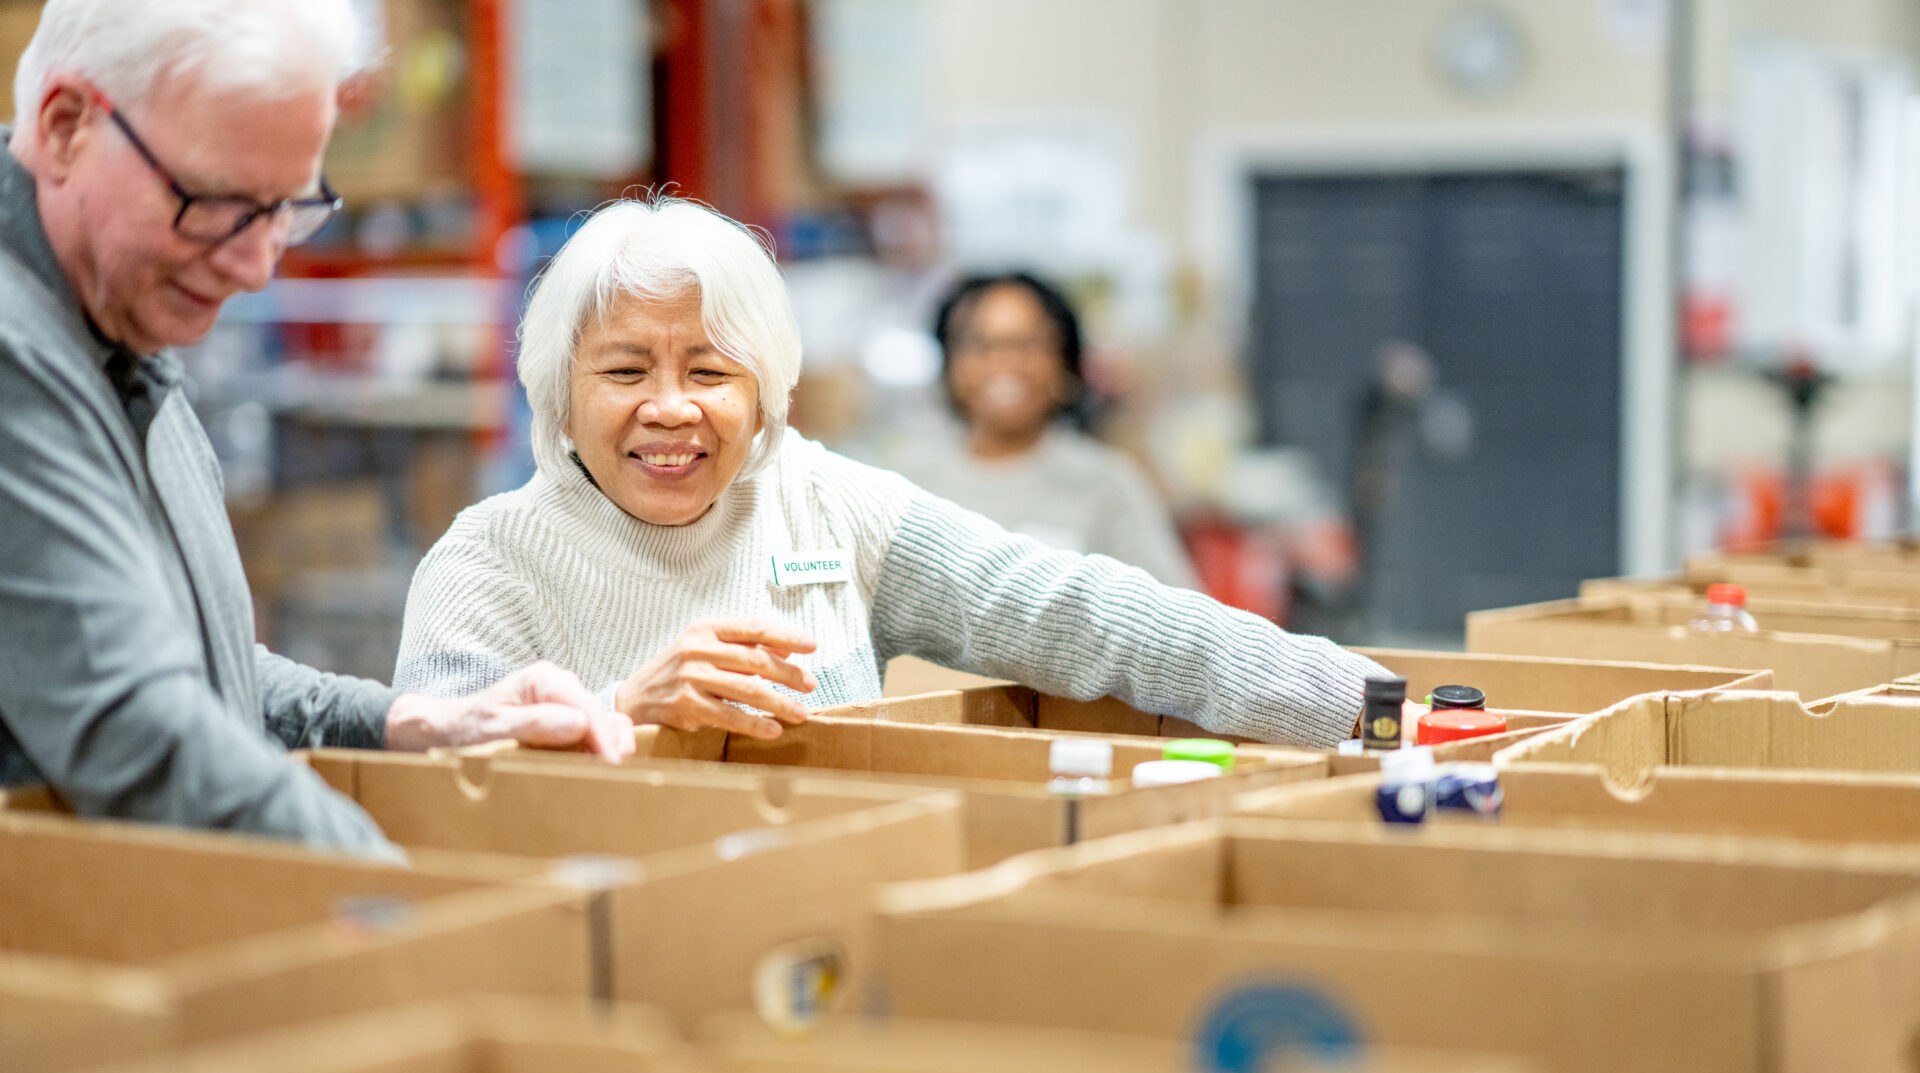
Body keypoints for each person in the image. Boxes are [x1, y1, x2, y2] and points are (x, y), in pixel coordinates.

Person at [395, 197, 1387, 749]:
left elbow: (1066, 607)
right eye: (622, 371)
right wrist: (617, 711)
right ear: (558, 393)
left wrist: (1351, 699)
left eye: (710, 370)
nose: (670, 406)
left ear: (766, 392)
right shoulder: (490, 561)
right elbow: (428, 784)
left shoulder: (825, 501)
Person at [0, 0, 633, 862]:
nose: (255, 266)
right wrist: (422, 908)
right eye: (217, 201)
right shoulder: (18, 354)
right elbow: (134, 725)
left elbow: (189, 665)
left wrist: (408, 722)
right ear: (65, 124)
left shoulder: (116, 319)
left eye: (286, 210)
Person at [871, 272, 1198, 589]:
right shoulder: (903, 486)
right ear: (949, 364)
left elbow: (1178, 621)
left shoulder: (1106, 486)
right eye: (979, 344)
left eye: (1028, 344)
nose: (1004, 363)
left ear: (1065, 364)